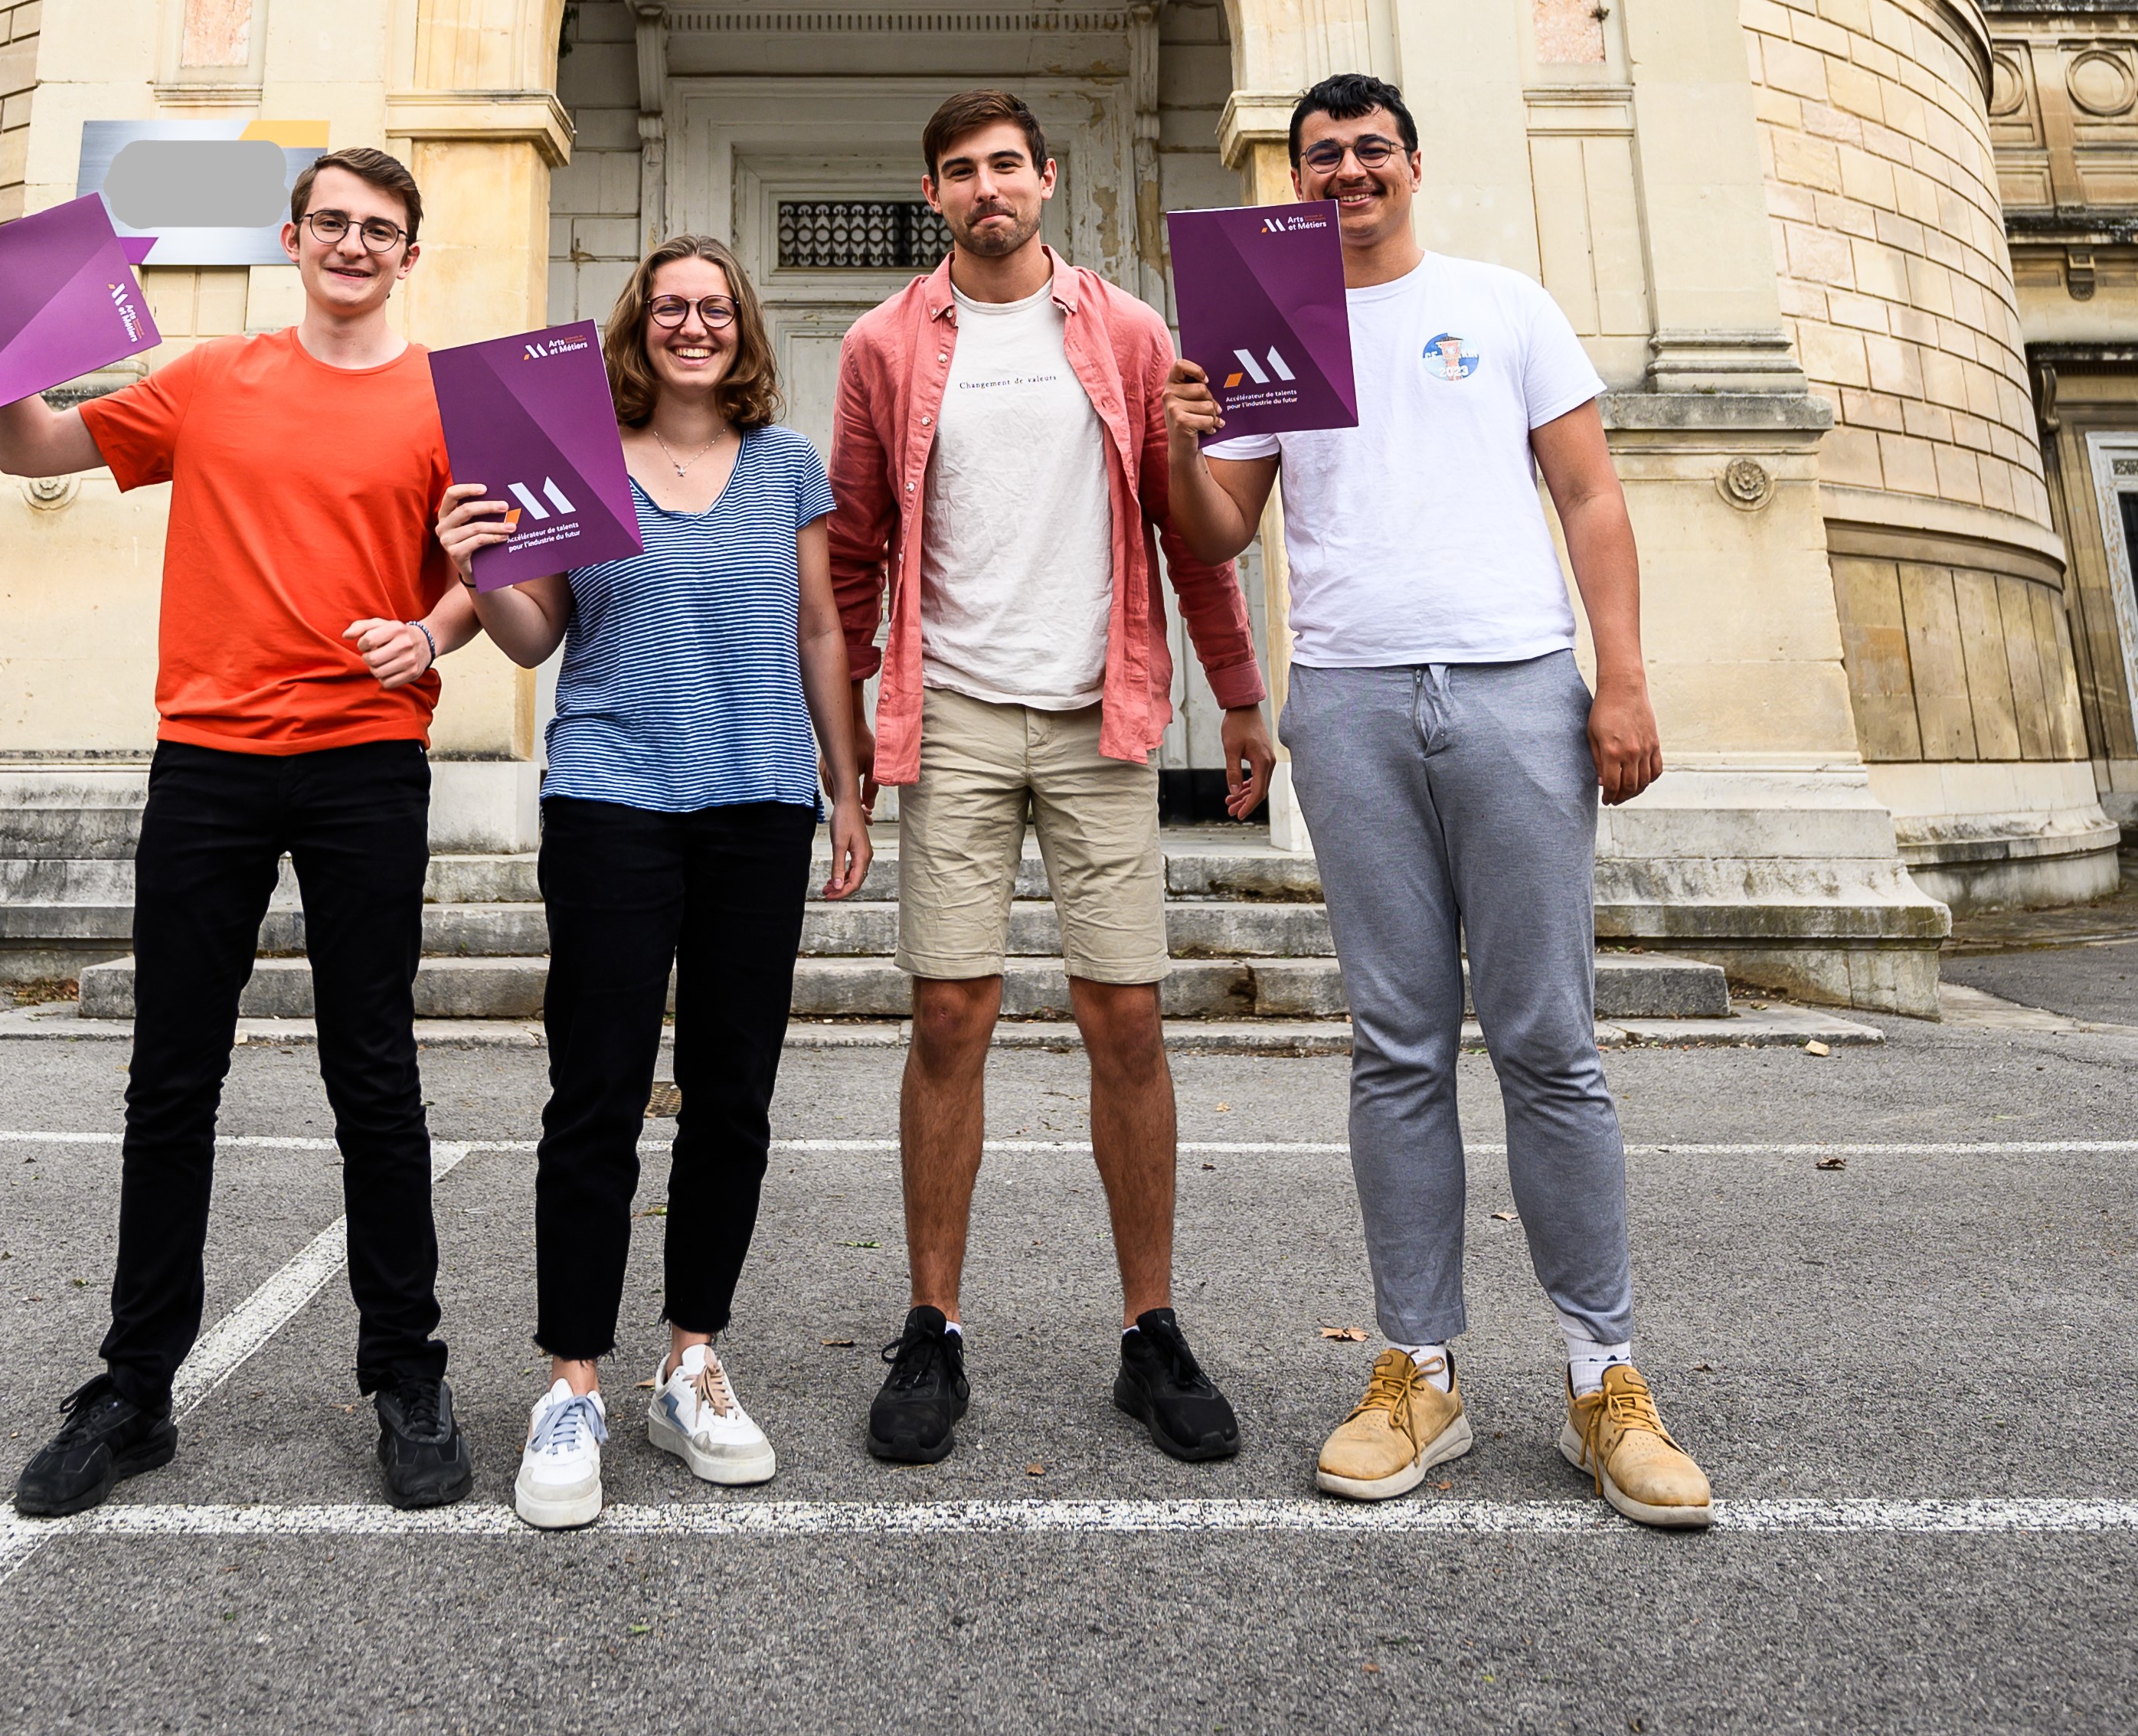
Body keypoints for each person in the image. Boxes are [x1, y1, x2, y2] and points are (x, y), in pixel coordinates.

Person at [1159, 74, 1714, 1528]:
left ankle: (1605, 1377)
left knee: (1550, 1041)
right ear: (1298, 179)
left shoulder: (1507, 304)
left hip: (1519, 688)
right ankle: (1422, 1372)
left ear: (1413, 162)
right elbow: (1220, 526)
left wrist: (1625, 678)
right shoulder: (1271, 318)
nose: (1346, 171)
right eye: (1321, 156)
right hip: (1346, 698)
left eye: (1368, 150)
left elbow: (1590, 495)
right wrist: (1180, 429)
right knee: (1397, 1042)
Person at [0, 147, 488, 1518]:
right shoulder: (210, 377)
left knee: (376, 1075)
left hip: (365, 761)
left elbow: (490, 574)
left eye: (382, 229)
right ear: (293, 236)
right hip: (210, 765)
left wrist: (431, 628)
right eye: (333, 222)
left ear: (412, 254)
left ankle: (406, 1372)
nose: (355, 244)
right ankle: (134, 1389)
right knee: (173, 1081)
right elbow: (37, 445)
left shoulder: (453, 397)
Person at [826, 89, 1275, 1466]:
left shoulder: (1128, 331)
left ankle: (1150, 1331)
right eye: (958, 172)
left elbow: (1192, 533)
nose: (986, 190)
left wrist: (1242, 694)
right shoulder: (885, 344)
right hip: (951, 711)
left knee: (1125, 1019)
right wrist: (842, 752)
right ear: (933, 196)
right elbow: (849, 550)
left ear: (1048, 178)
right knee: (951, 1016)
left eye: (1006, 166)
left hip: (1102, 713)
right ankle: (932, 1327)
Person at [438, 236, 874, 1530]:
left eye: (717, 307)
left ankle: (689, 1360)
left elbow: (818, 628)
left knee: (733, 1095)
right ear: (640, 325)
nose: (696, 325)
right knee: (598, 1091)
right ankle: (570, 1380)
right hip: (612, 800)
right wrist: (481, 566)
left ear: (744, 328)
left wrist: (847, 787)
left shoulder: (788, 465)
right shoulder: (573, 450)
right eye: (673, 307)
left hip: (758, 803)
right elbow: (537, 632)